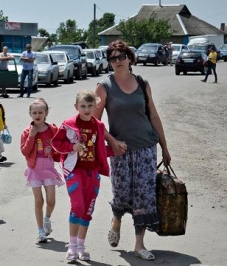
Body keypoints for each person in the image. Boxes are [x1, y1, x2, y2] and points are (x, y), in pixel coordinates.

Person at [93, 40, 171, 261]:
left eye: (121, 56)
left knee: (144, 197)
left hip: (146, 147)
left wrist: (164, 146)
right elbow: (95, 123)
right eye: (113, 58)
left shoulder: (142, 83)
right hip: (120, 151)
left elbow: (153, 116)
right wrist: (112, 142)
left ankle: (139, 244)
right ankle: (116, 219)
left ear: (129, 58)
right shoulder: (104, 86)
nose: (117, 61)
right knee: (122, 194)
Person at [51, 90, 112, 262]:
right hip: (74, 171)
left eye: (90, 106)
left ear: (95, 106)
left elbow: (100, 149)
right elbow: (56, 143)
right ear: (76, 106)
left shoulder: (98, 126)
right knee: (77, 206)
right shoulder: (69, 124)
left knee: (87, 210)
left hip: (92, 173)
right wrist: (72, 148)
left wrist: (116, 149)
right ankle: (71, 247)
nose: (86, 109)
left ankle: (81, 246)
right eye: (83, 106)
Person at [20, 98, 64, 243]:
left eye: (40, 112)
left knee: (51, 200)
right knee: (39, 200)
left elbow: (60, 146)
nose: (37, 115)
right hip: (34, 169)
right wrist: (32, 136)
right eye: (34, 112)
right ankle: (40, 231)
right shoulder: (27, 132)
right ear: (30, 114)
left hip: (49, 168)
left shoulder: (52, 130)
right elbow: (25, 152)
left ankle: (47, 219)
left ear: (46, 113)